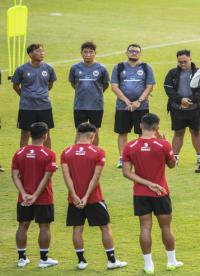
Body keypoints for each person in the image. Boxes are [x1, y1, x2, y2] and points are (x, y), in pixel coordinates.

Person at [122, 113, 183, 274]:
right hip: (161, 193)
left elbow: (126, 173)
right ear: (156, 128)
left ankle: (149, 265)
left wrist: (146, 184)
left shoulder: (130, 146)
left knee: (145, 228)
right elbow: (171, 165)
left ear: (141, 126)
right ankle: (171, 262)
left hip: (140, 194)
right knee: (166, 227)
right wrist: (166, 143)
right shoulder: (163, 145)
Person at [61, 122, 127, 270]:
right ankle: (111, 261)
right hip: (94, 198)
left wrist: (74, 195)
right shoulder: (98, 152)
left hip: (74, 199)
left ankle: (81, 262)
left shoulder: (66, 152)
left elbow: (67, 177)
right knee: (105, 227)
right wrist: (86, 197)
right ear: (92, 135)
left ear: (78, 134)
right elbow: (95, 178)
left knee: (77, 228)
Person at [11, 122, 58, 268]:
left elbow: (15, 175)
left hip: (23, 198)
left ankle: (21, 258)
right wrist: (36, 195)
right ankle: (43, 259)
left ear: (30, 135)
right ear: (45, 136)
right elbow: (46, 177)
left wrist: (24, 194)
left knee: (23, 225)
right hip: (43, 197)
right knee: (44, 227)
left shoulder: (19, 153)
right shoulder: (49, 154)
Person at [111, 44, 155, 168]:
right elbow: (114, 86)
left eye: (136, 51)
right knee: (122, 132)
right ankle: (122, 158)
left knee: (142, 133)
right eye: (131, 51)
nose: (134, 53)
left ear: (140, 54)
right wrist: (126, 101)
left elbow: (150, 86)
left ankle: (141, 157)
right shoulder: (119, 67)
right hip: (122, 106)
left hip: (141, 106)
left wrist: (139, 101)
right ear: (127, 53)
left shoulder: (146, 67)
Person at [164, 49, 200, 172]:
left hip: (195, 108)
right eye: (180, 62)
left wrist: (189, 101)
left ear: (190, 59)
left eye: (185, 61)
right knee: (178, 132)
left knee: (196, 132)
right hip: (177, 108)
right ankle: (175, 157)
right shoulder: (172, 73)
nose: (182, 64)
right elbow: (168, 89)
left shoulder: (199, 72)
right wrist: (180, 100)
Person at [12, 44, 57, 148]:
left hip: (44, 106)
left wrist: (42, 94)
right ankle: (22, 160)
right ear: (30, 54)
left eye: (42, 51)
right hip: (27, 107)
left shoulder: (49, 68)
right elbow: (15, 86)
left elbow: (50, 85)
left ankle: (48, 160)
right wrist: (25, 96)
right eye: (38, 51)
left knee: (46, 134)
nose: (42, 53)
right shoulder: (21, 69)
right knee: (25, 134)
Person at [69, 41, 110, 146]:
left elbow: (105, 85)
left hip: (96, 105)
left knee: (95, 132)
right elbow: (73, 83)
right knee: (79, 131)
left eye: (90, 52)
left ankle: (94, 154)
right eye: (85, 52)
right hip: (80, 105)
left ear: (95, 53)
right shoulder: (74, 68)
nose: (88, 54)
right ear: (81, 53)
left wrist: (95, 93)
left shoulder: (101, 68)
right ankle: (76, 155)